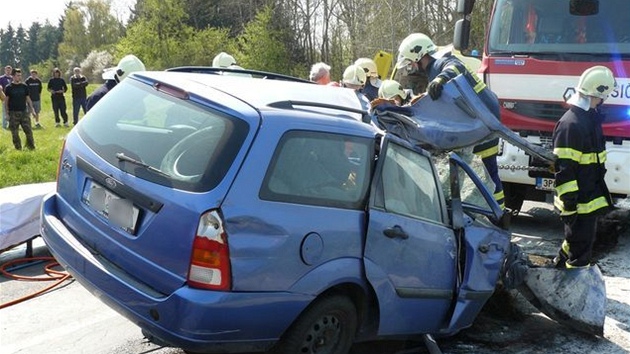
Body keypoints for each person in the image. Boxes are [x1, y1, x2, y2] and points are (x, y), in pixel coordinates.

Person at [396, 33, 505, 209]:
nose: (411, 67)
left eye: (411, 62)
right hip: (484, 122)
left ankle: (497, 213)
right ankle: (498, 212)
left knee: (487, 173)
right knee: (486, 172)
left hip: (483, 125)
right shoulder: (435, 67)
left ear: (419, 54)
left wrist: (440, 79)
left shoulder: (440, 63)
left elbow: (455, 67)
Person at [551, 66, 616, 269]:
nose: (603, 101)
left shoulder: (588, 119)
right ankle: (573, 289)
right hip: (578, 202)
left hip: (588, 196)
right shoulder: (572, 124)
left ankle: (559, 266)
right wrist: (570, 205)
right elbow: (564, 168)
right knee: (580, 251)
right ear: (596, 94)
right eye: (602, 97)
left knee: (577, 242)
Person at [4, 69, 37, 150]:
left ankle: (31, 147)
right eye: (18, 75)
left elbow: (28, 99)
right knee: (14, 133)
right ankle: (18, 148)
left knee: (28, 131)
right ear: (13, 76)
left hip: (24, 112)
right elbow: (6, 101)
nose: (19, 77)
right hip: (13, 113)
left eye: (20, 75)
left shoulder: (24, 86)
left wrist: (32, 110)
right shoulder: (9, 87)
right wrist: (7, 113)